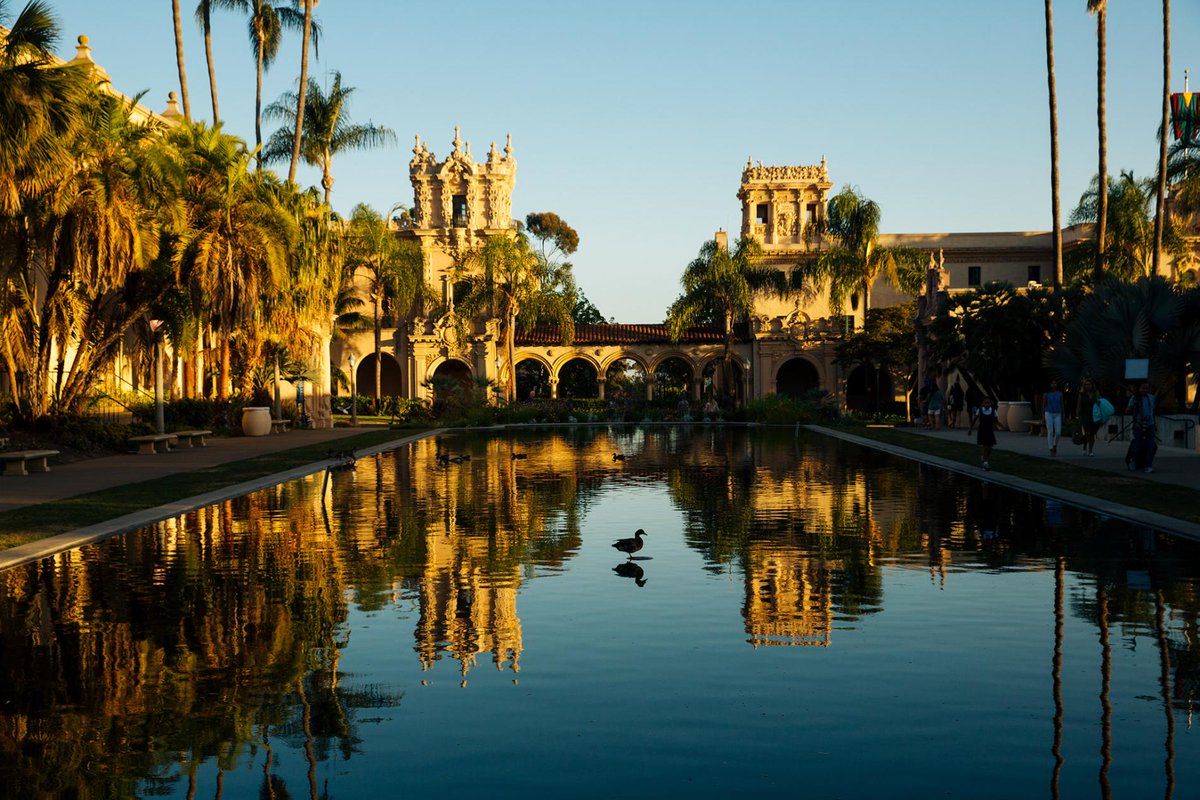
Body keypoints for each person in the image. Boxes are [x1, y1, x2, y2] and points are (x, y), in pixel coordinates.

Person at [1125, 382, 1157, 473]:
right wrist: (1134, 405)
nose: (1145, 390)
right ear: (1139, 388)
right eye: (1143, 388)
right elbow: (1127, 410)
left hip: (1150, 424)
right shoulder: (1134, 398)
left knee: (1150, 445)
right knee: (1138, 443)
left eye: (1147, 388)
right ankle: (1132, 460)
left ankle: (1148, 465)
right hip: (1138, 424)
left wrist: (1155, 424)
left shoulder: (1151, 398)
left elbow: (1152, 411)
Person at [968, 395, 998, 470]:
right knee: (985, 447)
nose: (987, 404)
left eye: (988, 403)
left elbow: (995, 420)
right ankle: (985, 463)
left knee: (990, 448)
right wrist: (970, 429)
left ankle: (984, 458)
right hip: (982, 430)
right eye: (985, 403)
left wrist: (999, 426)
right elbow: (974, 420)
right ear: (982, 404)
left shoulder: (993, 410)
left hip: (990, 430)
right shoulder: (980, 410)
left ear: (990, 403)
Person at [1075, 378, 1101, 456]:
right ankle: (1084, 446)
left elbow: (1100, 402)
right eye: (1086, 384)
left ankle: (1090, 451)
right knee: (1087, 433)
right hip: (1084, 415)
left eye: (1089, 384)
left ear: (1092, 385)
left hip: (1094, 416)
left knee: (1092, 433)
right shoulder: (1082, 394)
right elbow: (1078, 405)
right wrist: (1077, 415)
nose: (1087, 386)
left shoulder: (1095, 393)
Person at [1041, 379, 1064, 456]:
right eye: (1052, 383)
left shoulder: (1060, 394)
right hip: (1049, 413)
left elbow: (1062, 404)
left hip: (1058, 413)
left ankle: (1055, 445)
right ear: (1049, 385)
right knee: (1050, 431)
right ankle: (1051, 448)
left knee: (1058, 432)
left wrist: (1063, 414)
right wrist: (1043, 417)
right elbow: (1044, 406)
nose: (1054, 385)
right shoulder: (1046, 394)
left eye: (1055, 383)